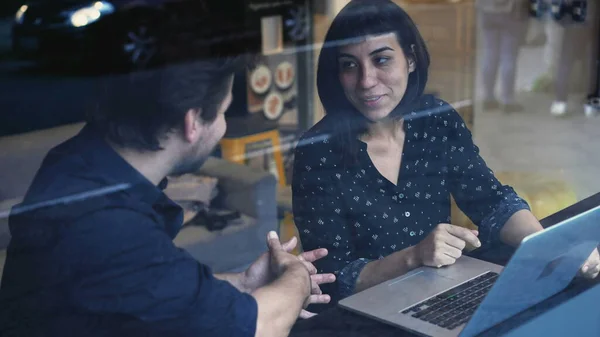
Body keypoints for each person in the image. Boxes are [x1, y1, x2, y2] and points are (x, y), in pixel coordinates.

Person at [0, 30, 336, 337]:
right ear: (192, 122)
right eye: (222, 113)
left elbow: (146, 287)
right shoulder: (110, 228)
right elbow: (261, 328)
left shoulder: (80, 159)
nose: (222, 128)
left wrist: (243, 283)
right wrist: (297, 278)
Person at [291, 0, 600, 309]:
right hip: (364, 314)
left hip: (441, 296)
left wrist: (553, 246)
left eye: (381, 60)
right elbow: (332, 276)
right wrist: (414, 256)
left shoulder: (434, 119)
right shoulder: (317, 151)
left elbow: (492, 202)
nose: (366, 80)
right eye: (349, 65)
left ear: (410, 59)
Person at [476, 0, 530, 113]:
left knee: (489, 53)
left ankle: (488, 97)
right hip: (510, 11)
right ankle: (507, 100)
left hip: (486, 10)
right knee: (508, 55)